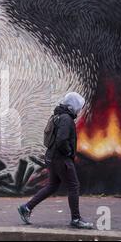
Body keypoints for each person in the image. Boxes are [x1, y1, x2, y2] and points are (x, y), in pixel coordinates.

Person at [17, 92, 94, 229]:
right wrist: (69, 152)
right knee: (73, 186)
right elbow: (61, 140)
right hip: (61, 159)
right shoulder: (66, 119)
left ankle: (26, 208)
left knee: (52, 185)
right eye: (78, 106)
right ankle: (76, 219)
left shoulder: (57, 116)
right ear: (73, 106)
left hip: (52, 157)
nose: (79, 110)